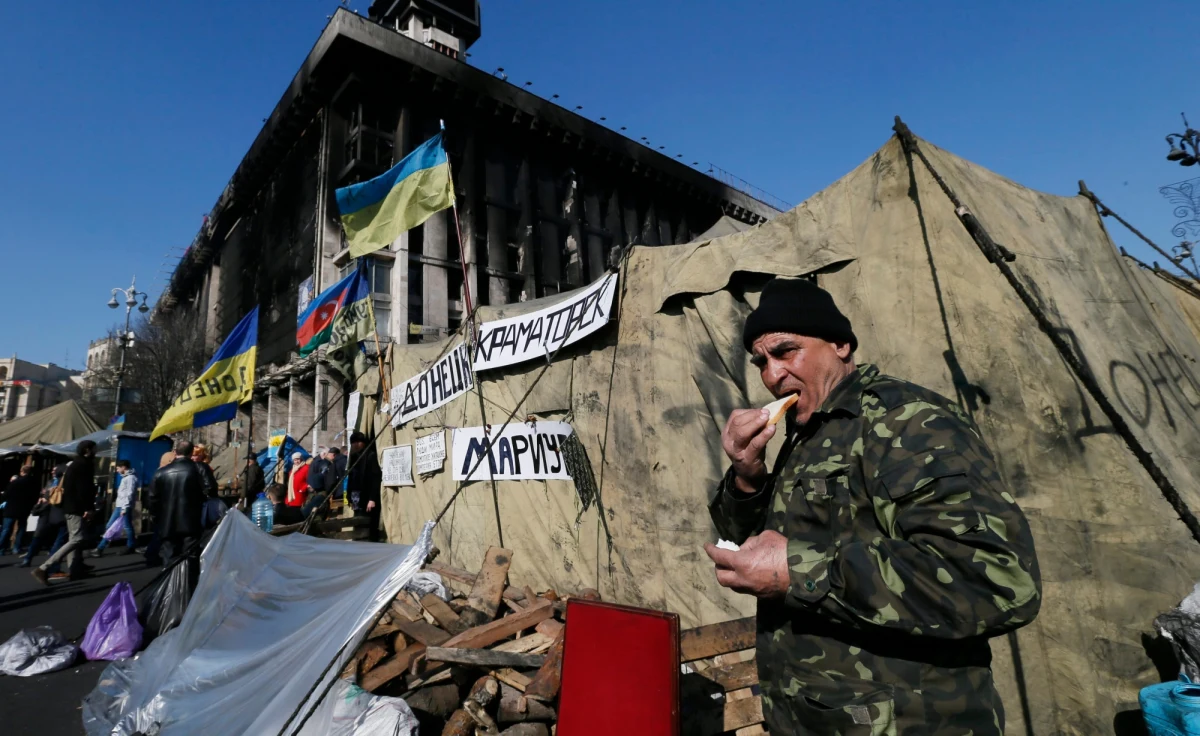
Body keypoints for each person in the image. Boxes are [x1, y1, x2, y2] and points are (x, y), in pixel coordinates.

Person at [704, 279, 1041, 734]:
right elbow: (763, 542)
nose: (771, 375)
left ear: (840, 345)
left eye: (786, 351)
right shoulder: (810, 430)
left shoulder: (908, 422)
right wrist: (747, 476)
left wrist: (794, 571)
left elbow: (996, 578)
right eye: (761, 361)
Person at [32, 440, 99, 584]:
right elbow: (84, 489)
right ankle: (44, 568)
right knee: (77, 538)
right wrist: (88, 508)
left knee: (74, 538)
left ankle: (75, 570)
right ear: (88, 450)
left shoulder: (76, 464)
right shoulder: (83, 465)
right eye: (94, 448)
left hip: (70, 507)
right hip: (76, 507)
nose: (96, 451)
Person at [149, 439, 206, 570]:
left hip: (167, 522)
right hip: (191, 521)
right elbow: (209, 490)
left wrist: (156, 517)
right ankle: (189, 581)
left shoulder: (161, 472)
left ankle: (169, 581)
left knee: (169, 557)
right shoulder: (197, 469)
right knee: (191, 558)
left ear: (175, 452)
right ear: (191, 452)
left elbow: (152, 499)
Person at [19, 465, 68, 569]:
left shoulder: (63, 482)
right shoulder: (50, 482)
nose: (53, 472)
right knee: (38, 535)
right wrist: (43, 497)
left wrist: (46, 497)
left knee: (56, 537)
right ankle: (28, 559)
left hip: (55, 511)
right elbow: (44, 495)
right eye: (53, 470)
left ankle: (49, 560)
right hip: (46, 512)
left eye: (55, 470)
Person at [90, 460, 138, 557]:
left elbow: (129, 493)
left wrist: (125, 507)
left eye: (118, 468)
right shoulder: (126, 477)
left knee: (125, 527)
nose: (117, 470)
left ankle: (101, 548)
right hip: (120, 505)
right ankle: (129, 545)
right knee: (111, 525)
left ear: (124, 467)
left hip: (124, 506)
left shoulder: (130, 478)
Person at [347, 432, 382, 542]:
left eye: (358, 442)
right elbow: (351, 477)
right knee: (358, 521)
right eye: (353, 443)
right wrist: (349, 496)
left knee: (368, 523)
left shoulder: (370, 456)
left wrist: (372, 498)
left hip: (367, 496)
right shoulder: (353, 457)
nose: (355, 445)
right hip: (356, 496)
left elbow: (376, 478)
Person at [2, 466, 40, 555]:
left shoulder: (15, 482)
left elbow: (6, 495)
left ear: (22, 471)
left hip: (11, 508)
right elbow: (35, 496)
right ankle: (16, 548)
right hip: (24, 508)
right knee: (21, 528)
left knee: (6, 529)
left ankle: (1, 548)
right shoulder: (34, 483)